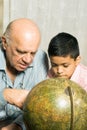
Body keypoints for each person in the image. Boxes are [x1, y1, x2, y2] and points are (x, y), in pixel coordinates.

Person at [0, 18, 49, 130]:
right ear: (4, 43)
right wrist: (6, 95)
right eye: (21, 52)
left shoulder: (40, 58)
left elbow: (38, 108)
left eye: (33, 53)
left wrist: (17, 126)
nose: (28, 60)